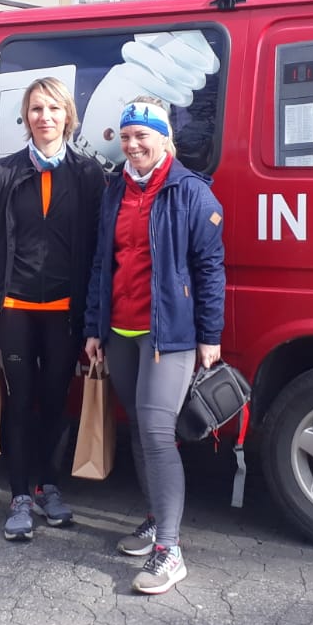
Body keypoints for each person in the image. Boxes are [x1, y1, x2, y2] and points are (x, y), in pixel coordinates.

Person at [84, 96, 225, 595]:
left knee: (159, 434)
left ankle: (170, 549)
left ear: (165, 138)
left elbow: (210, 269)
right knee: (140, 431)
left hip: (170, 335)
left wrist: (210, 335)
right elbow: (103, 262)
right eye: (125, 137)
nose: (132, 145)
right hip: (120, 330)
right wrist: (94, 327)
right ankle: (154, 518)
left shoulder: (191, 192)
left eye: (142, 135)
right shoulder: (115, 190)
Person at [0, 77, 106, 542]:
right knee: (20, 400)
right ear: (25, 117)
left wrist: (95, 316)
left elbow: (98, 250)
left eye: (53, 108)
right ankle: (18, 496)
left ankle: (48, 486)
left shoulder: (88, 174)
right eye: (35, 109)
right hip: (13, 306)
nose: (44, 117)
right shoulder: (4, 172)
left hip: (65, 310)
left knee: (54, 400)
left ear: (68, 115)